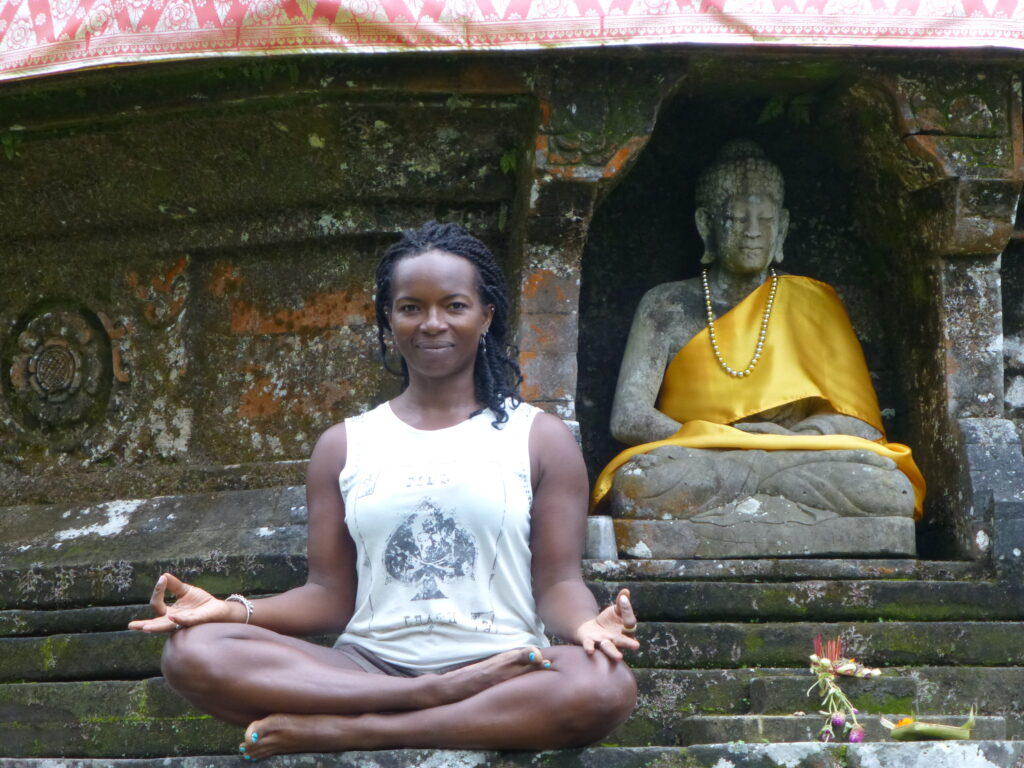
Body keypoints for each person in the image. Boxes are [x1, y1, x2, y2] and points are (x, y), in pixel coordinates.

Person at [129, 221, 639, 761]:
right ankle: (423, 699)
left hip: (504, 667)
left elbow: (558, 581)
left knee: (604, 684)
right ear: (389, 319)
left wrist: (586, 624)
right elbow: (330, 596)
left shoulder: (538, 437)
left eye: (455, 306)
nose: (432, 324)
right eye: (411, 307)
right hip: (367, 668)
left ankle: (357, 730)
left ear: (486, 316)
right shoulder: (344, 445)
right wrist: (231, 611)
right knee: (192, 651)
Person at [592, 140, 924, 536]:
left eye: (765, 220)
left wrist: (794, 437)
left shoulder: (813, 303)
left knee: (890, 489)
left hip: (797, 455)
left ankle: (754, 509)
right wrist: (727, 438)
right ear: (706, 225)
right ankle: (790, 515)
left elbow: (863, 425)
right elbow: (628, 418)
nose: (753, 232)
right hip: (702, 458)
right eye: (737, 218)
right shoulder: (665, 305)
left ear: (782, 226)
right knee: (640, 485)